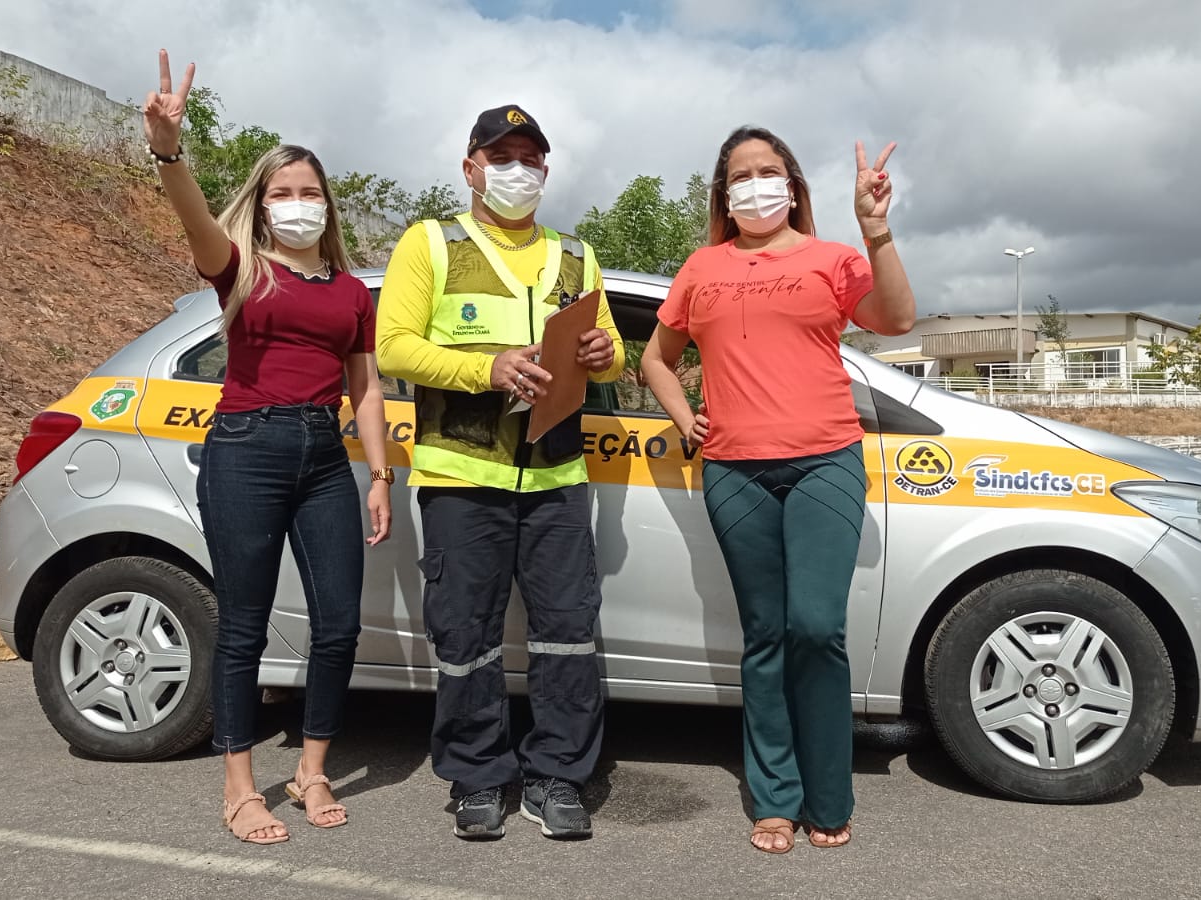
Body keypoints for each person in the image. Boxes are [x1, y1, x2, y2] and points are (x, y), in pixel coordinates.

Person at [641, 126, 915, 853]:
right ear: (724, 195)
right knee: (765, 635)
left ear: (792, 186)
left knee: (816, 629)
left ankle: (830, 795)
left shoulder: (833, 259)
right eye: (741, 175)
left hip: (827, 460)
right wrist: (684, 418)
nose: (756, 184)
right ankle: (774, 798)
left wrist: (876, 232)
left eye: (770, 171)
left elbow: (896, 320)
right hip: (735, 470)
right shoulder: (702, 267)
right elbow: (656, 358)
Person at [143, 50, 393, 845]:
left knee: (338, 625)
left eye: (309, 192)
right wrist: (169, 151)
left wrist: (380, 475)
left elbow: (368, 388)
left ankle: (312, 768)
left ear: (328, 205)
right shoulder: (240, 267)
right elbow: (193, 219)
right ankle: (240, 786)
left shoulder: (353, 291)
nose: (296, 204)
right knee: (245, 624)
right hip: (245, 450)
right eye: (282, 193)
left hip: (325, 458)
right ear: (261, 204)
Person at [375, 104, 623, 841]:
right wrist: (487, 367)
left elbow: (608, 340)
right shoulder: (432, 243)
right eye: (502, 155)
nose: (518, 169)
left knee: (568, 633)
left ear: (546, 170)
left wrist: (605, 354)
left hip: (557, 477)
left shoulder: (576, 255)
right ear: (471, 167)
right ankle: (477, 778)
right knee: (466, 637)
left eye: (530, 157)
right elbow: (393, 347)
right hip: (461, 476)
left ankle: (557, 776)